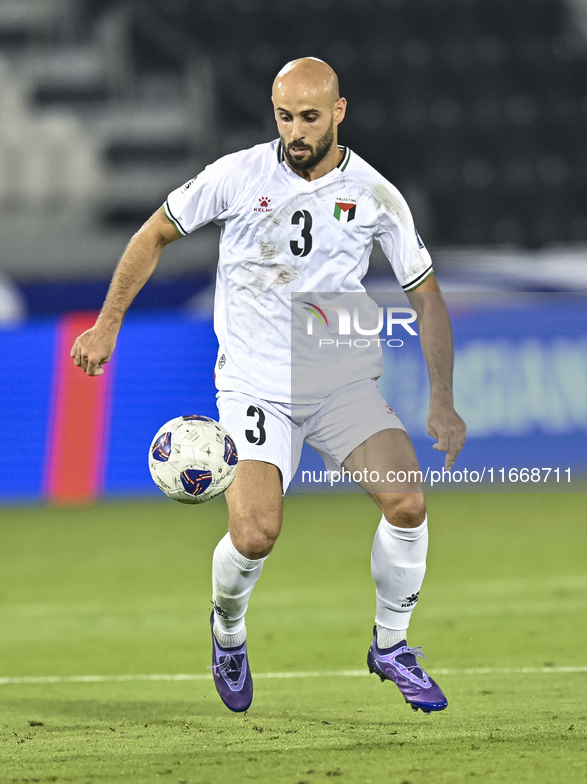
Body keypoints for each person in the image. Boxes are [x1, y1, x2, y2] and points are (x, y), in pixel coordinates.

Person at [71, 57, 466, 715]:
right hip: (255, 385)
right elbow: (154, 232)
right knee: (255, 534)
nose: (296, 131)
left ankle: (391, 646)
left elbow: (424, 296)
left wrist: (442, 400)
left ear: (338, 112)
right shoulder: (236, 175)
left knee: (407, 503)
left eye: (310, 117)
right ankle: (227, 631)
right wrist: (107, 324)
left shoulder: (374, 195)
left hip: (340, 381)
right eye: (285, 116)